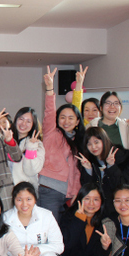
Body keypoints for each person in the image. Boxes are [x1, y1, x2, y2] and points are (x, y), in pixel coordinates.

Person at [38, 66, 86, 223]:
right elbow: (49, 111)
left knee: (63, 231)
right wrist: (50, 89)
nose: (66, 121)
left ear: (77, 121)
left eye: (71, 118)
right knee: (50, 230)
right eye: (62, 117)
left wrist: (76, 191)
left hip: (69, 194)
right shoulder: (51, 132)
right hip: (49, 190)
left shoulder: (79, 140)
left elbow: (77, 171)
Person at [77, 127, 129, 213]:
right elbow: (88, 190)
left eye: (96, 142)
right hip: (97, 209)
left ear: (104, 141)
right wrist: (88, 170)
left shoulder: (121, 158)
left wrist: (111, 166)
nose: (93, 147)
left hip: (118, 208)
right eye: (89, 144)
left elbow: (124, 187)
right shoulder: (88, 161)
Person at [10, 107, 45, 190]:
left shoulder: (37, 145)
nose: (23, 123)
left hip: (25, 191)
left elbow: (31, 171)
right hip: (6, 191)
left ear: (33, 124)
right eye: (21, 119)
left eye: (28, 121)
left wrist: (31, 148)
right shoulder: (7, 140)